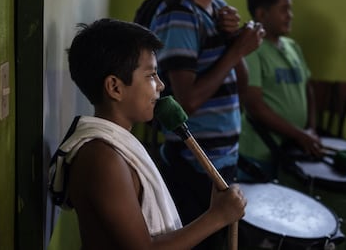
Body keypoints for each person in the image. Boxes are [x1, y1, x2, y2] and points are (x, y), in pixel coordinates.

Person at [48, 18, 247, 250]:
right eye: (151, 75)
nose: (161, 85)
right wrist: (218, 216)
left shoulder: (118, 145)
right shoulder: (102, 158)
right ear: (115, 87)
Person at [147, 0, 264, 249]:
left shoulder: (217, 11)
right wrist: (237, 50)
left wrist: (233, 39)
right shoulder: (179, 13)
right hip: (194, 163)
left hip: (221, 160)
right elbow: (186, 101)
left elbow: (242, 86)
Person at [238, 0, 322, 181]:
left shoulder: (293, 47)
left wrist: (310, 129)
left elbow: (307, 88)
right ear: (261, 14)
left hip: (292, 149)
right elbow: (255, 106)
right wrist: (300, 135)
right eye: (284, 9)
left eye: (290, 9)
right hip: (259, 153)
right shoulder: (251, 49)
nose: (290, 15)